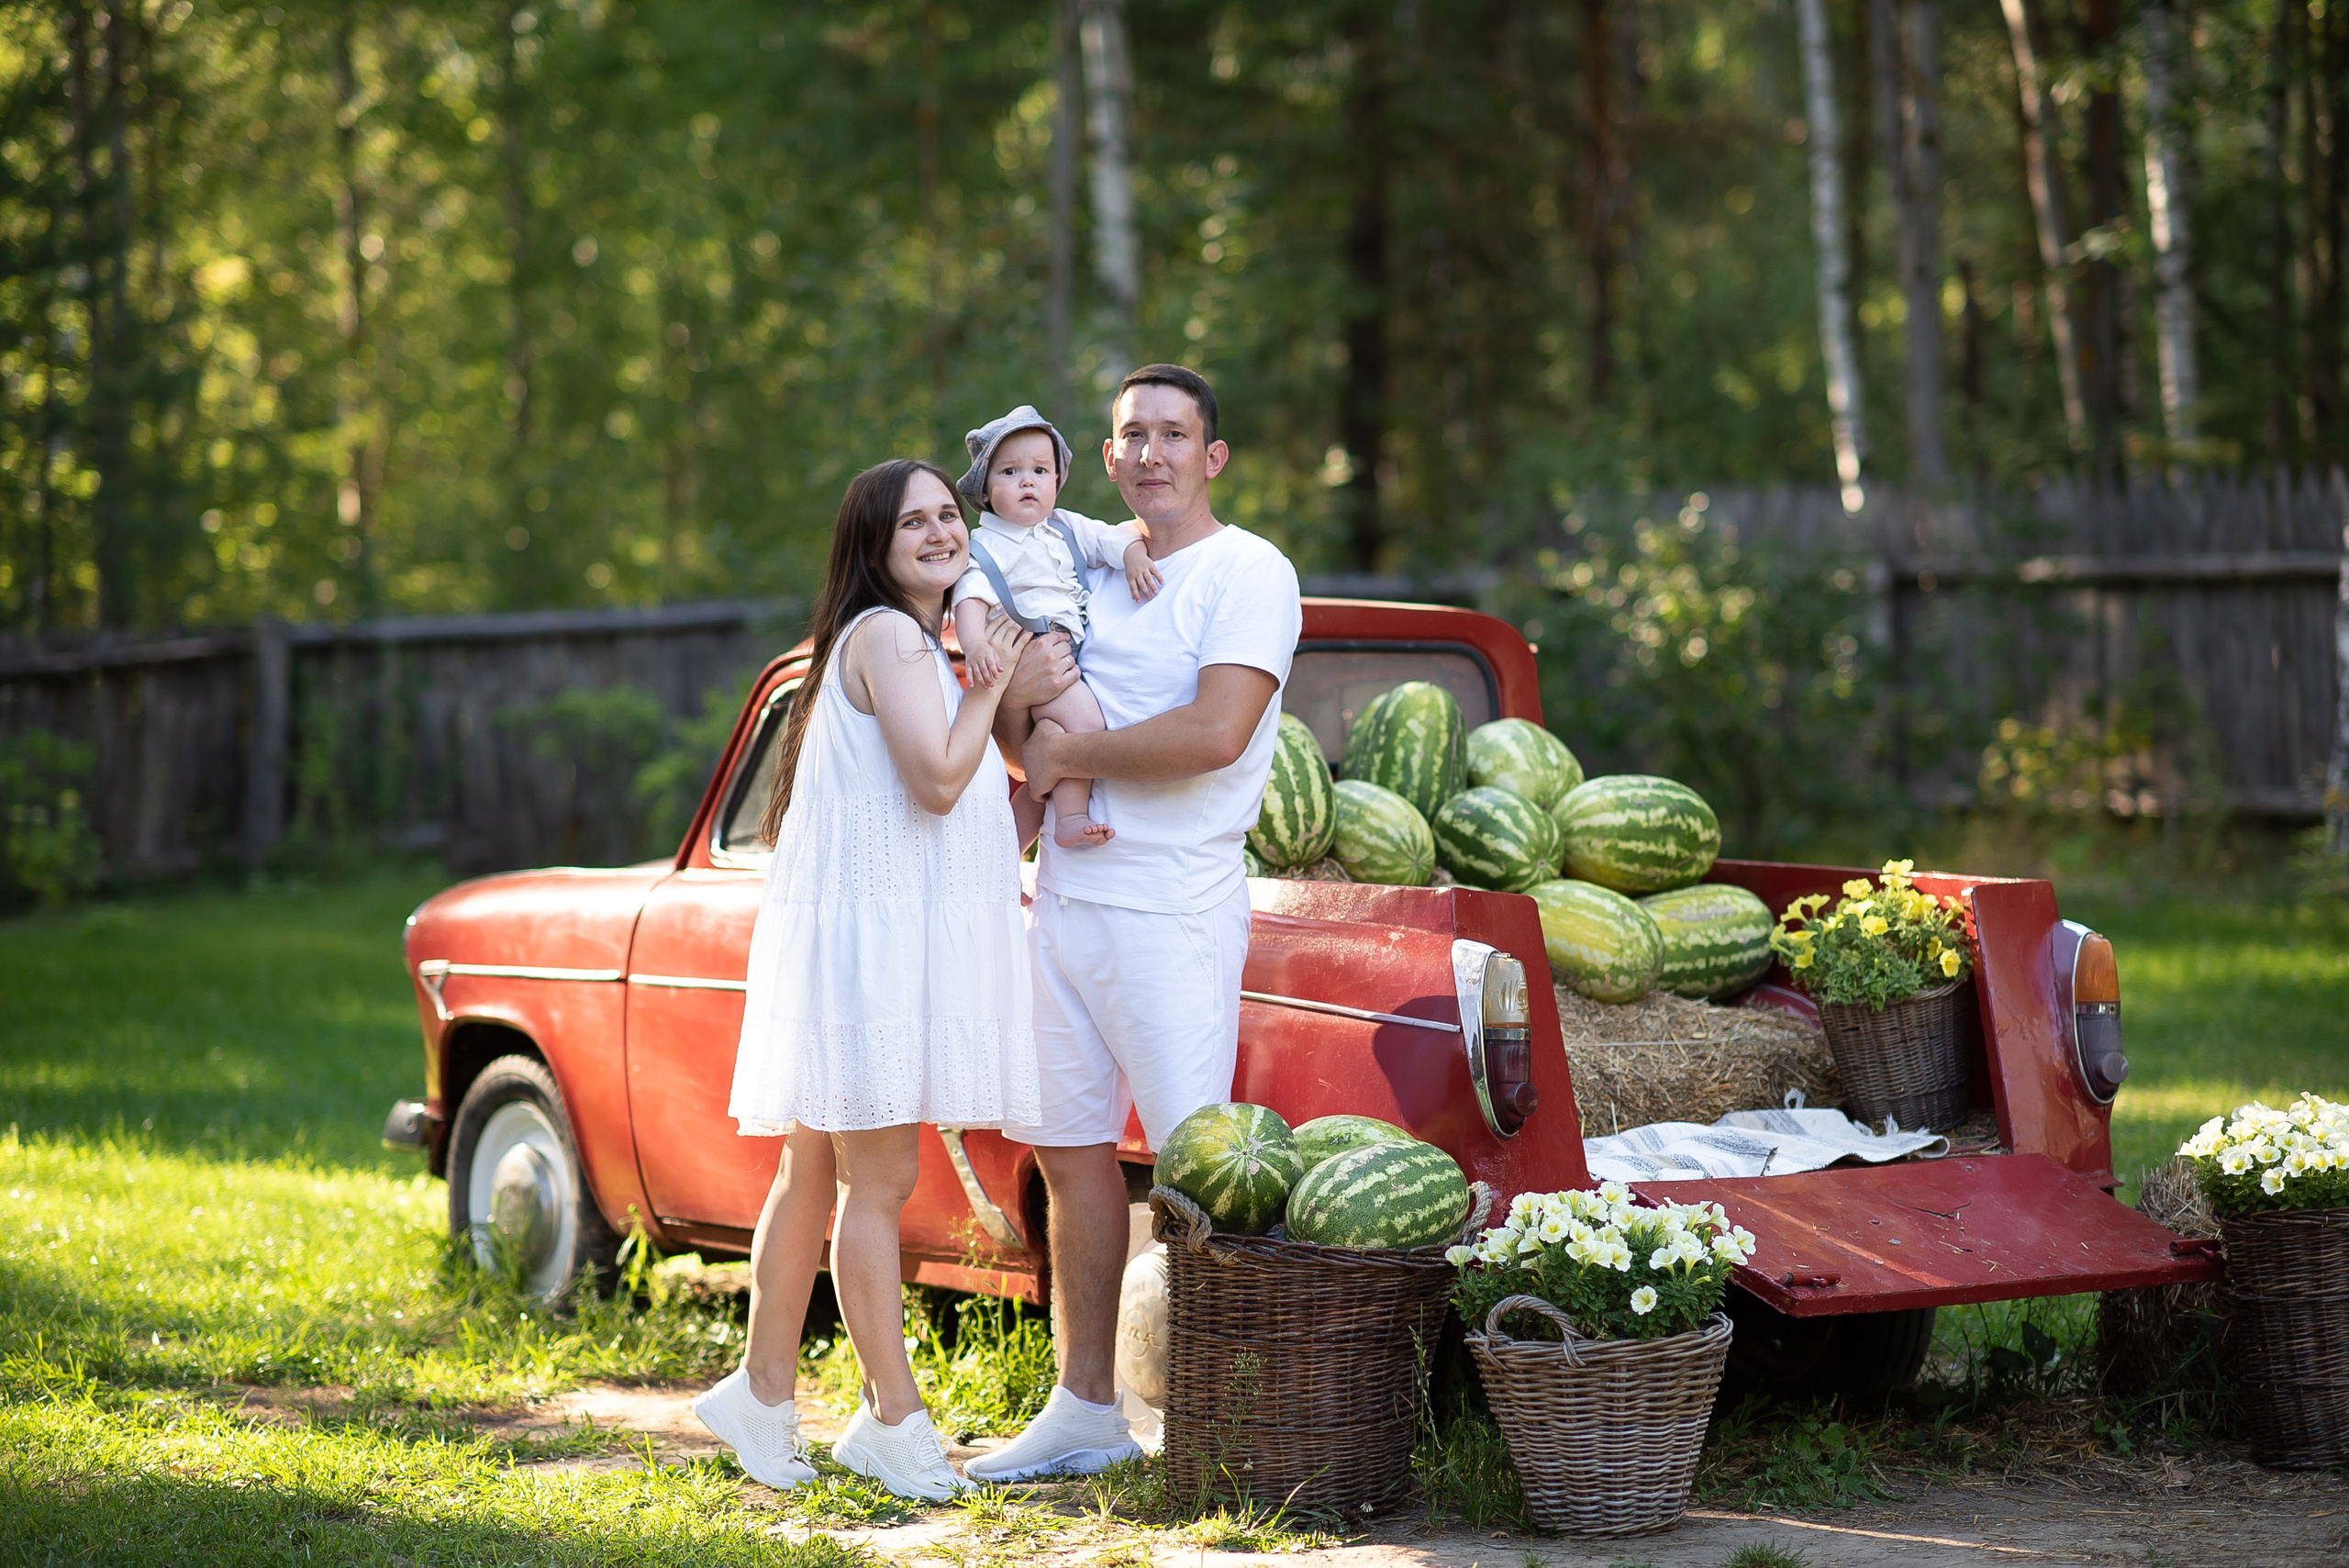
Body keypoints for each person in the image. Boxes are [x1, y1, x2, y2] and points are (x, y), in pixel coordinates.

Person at [967, 365, 1303, 1484]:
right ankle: (1084, 1410)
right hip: (1060, 898)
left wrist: (1068, 756)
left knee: (1199, 1174)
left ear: (1213, 456)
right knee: (1067, 1158)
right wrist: (1036, 757)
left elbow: (1214, 731)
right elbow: (1020, 709)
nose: (1152, 451)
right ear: (1102, 461)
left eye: (1175, 433)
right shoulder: (1075, 563)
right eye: (1131, 436)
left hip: (1173, 906)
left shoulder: (1248, 570)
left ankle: (1221, 1424)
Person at [693, 458, 1041, 1502]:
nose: (940, 532)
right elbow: (937, 782)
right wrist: (987, 686)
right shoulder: (892, 636)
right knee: (875, 1182)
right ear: (874, 547)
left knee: (812, 1170)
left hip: (864, 939)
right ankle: (891, 1416)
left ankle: (759, 1392)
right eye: (913, 522)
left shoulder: (905, 638)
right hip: (872, 949)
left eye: (949, 514)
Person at [950, 405, 1163, 850]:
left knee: (1047, 758)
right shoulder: (987, 545)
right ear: (985, 492)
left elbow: (1113, 537)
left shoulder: (1065, 526)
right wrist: (974, 646)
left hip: (1061, 663)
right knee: (1085, 722)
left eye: (1040, 470)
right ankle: (1071, 817)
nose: (1028, 481)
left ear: (1056, 482)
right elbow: (969, 597)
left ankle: (1002, 860)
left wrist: (1134, 557)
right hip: (1027, 658)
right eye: (1010, 471)